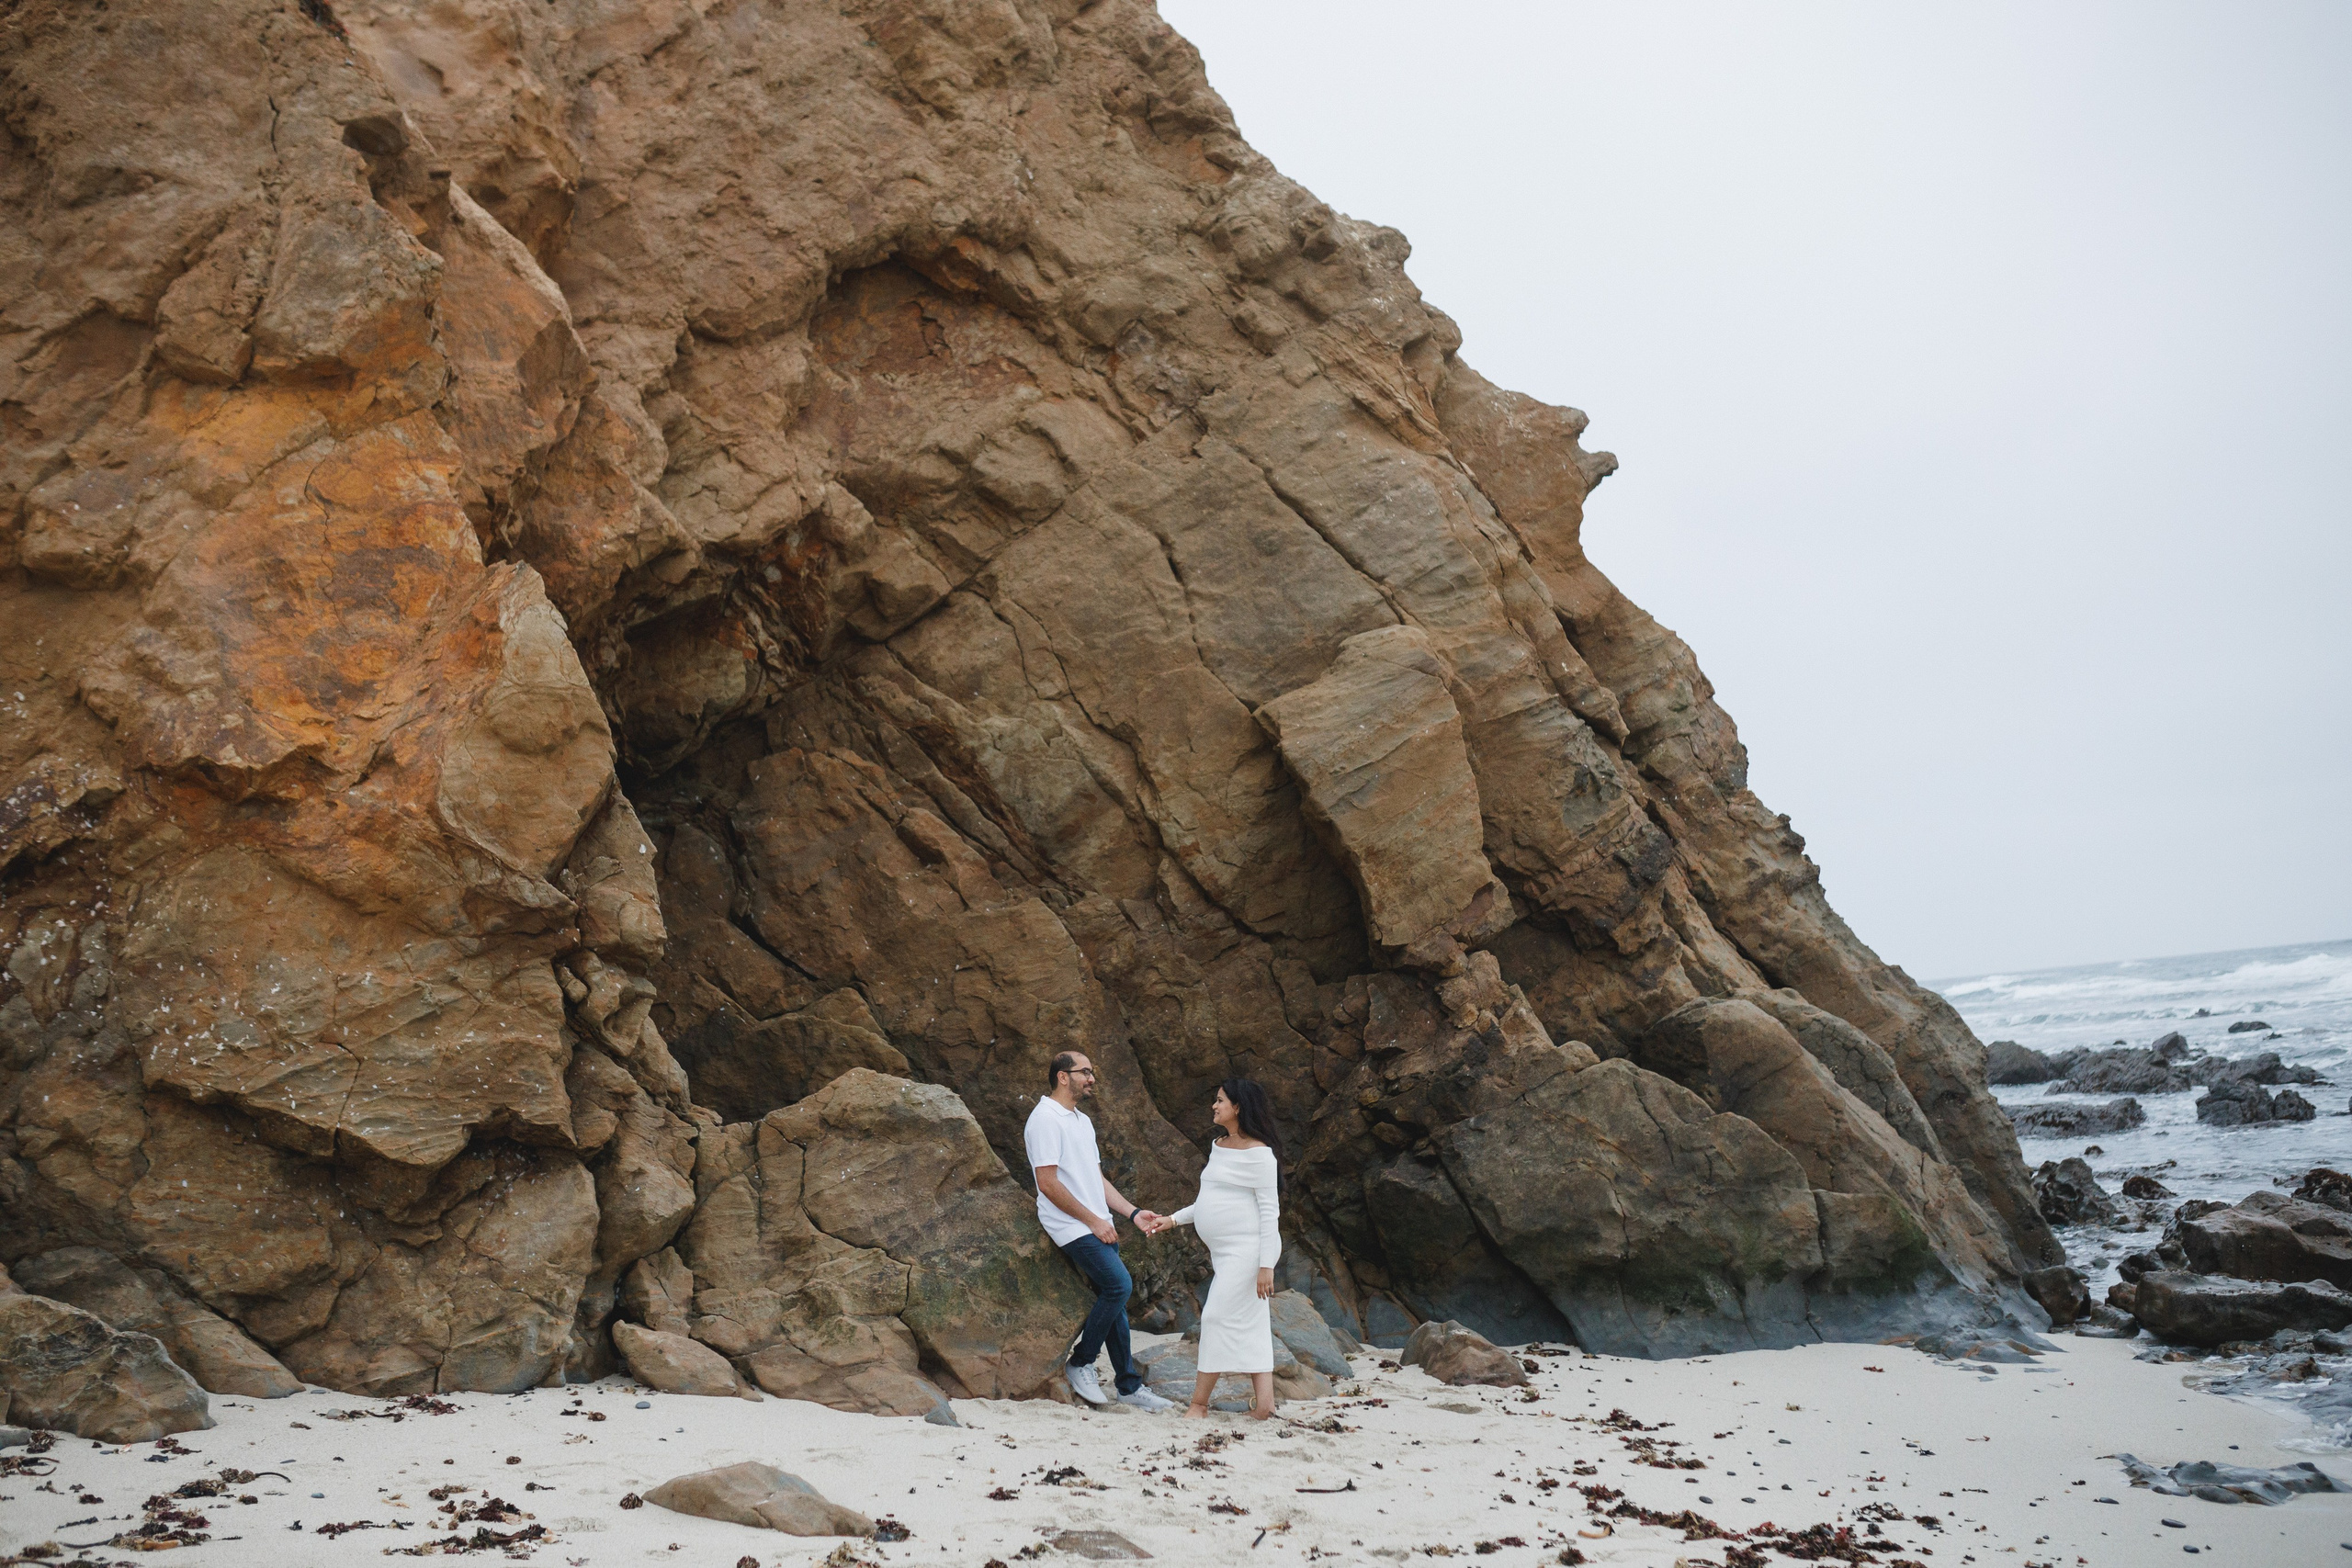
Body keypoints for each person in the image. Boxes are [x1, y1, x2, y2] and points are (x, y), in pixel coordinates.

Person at [1024, 1050, 1177, 1410]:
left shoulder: (1080, 1120)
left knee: (1116, 1301)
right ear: (1063, 1076)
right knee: (1119, 1286)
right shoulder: (1045, 1119)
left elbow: (1095, 1178)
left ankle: (1127, 1385)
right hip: (1070, 1225)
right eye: (1085, 1072)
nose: (1092, 1079)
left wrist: (1132, 1212)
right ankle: (1081, 1362)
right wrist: (1091, 1221)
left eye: (1092, 1072)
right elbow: (1046, 1183)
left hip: (1097, 1223)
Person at [1140, 1077, 1284, 1419]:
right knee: (1252, 1325)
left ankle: (1198, 1405)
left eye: (1220, 1100)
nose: (1214, 1106)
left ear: (1238, 1107)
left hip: (1246, 1254)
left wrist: (1267, 1265)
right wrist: (1172, 1220)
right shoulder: (1219, 1145)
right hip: (1223, 1254)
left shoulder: (1261, 1155)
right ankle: (1264, 1406)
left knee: (1215, 1315)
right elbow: (1209, 1200)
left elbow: (1270, 1215)